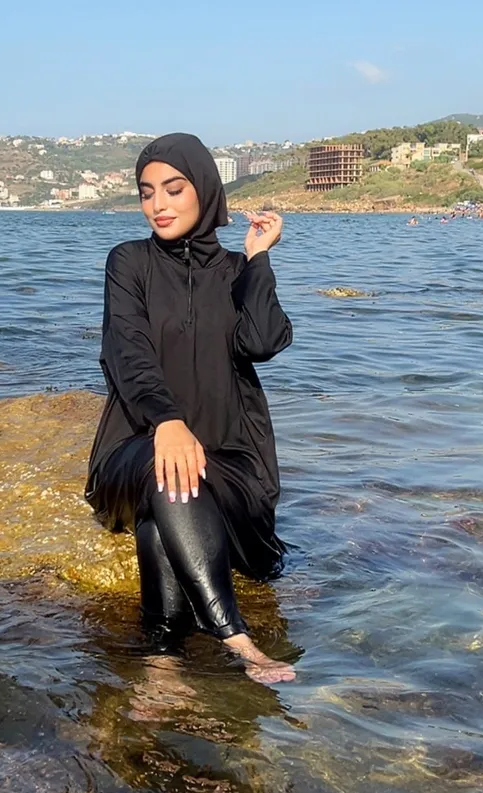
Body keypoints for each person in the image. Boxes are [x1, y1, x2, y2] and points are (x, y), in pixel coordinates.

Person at [85, 133, 296, 684]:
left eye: (173, 189)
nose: (158, 204)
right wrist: (167, 420)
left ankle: (161, 657)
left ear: (204, 189)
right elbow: (126, 353)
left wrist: (258, 259)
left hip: (233, 461)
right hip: (135, 449)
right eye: (146, 192)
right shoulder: (128, 263)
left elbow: (263, 341)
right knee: (169, 470)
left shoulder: (236, 270)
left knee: (161, 520)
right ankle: (235, 636)